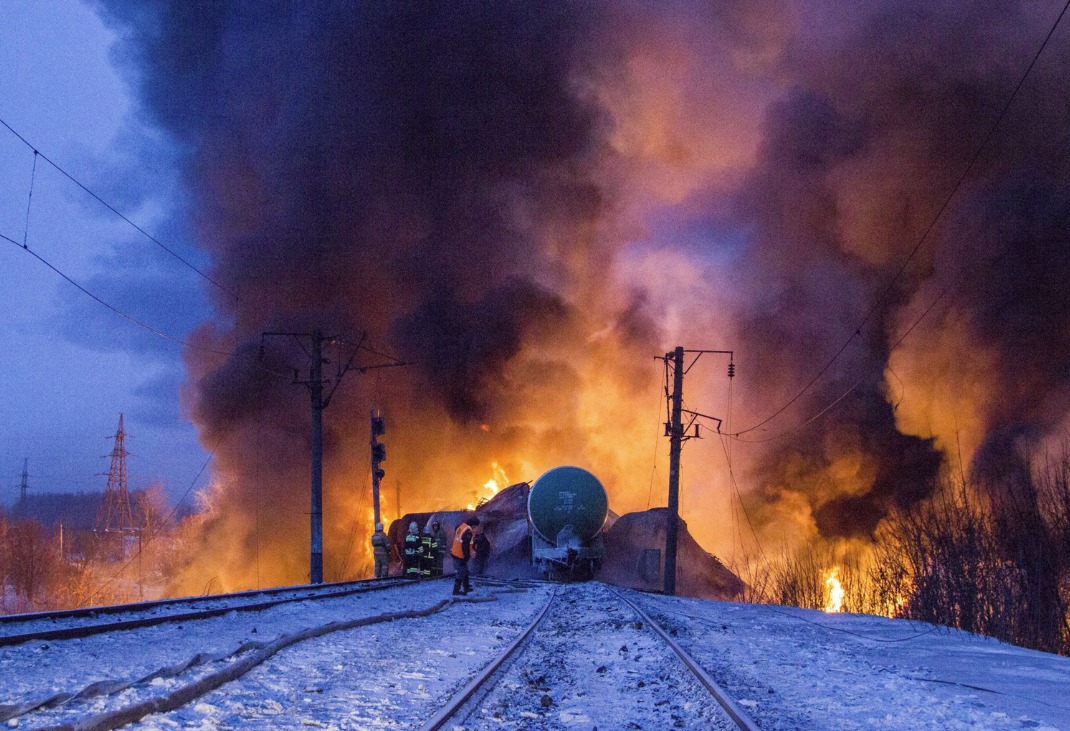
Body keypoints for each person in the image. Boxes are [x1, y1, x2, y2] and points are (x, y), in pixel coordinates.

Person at [451, 516, 479, 595]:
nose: (476, 528)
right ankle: (456, 591)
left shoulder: (462, 526)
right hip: (460, 555)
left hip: (456, 553)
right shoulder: (468, 531)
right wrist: (466, 557)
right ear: (474, 525)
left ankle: (466, 587)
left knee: (465, 571)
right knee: (460, 573)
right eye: (476, 526)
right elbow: (465, 545)